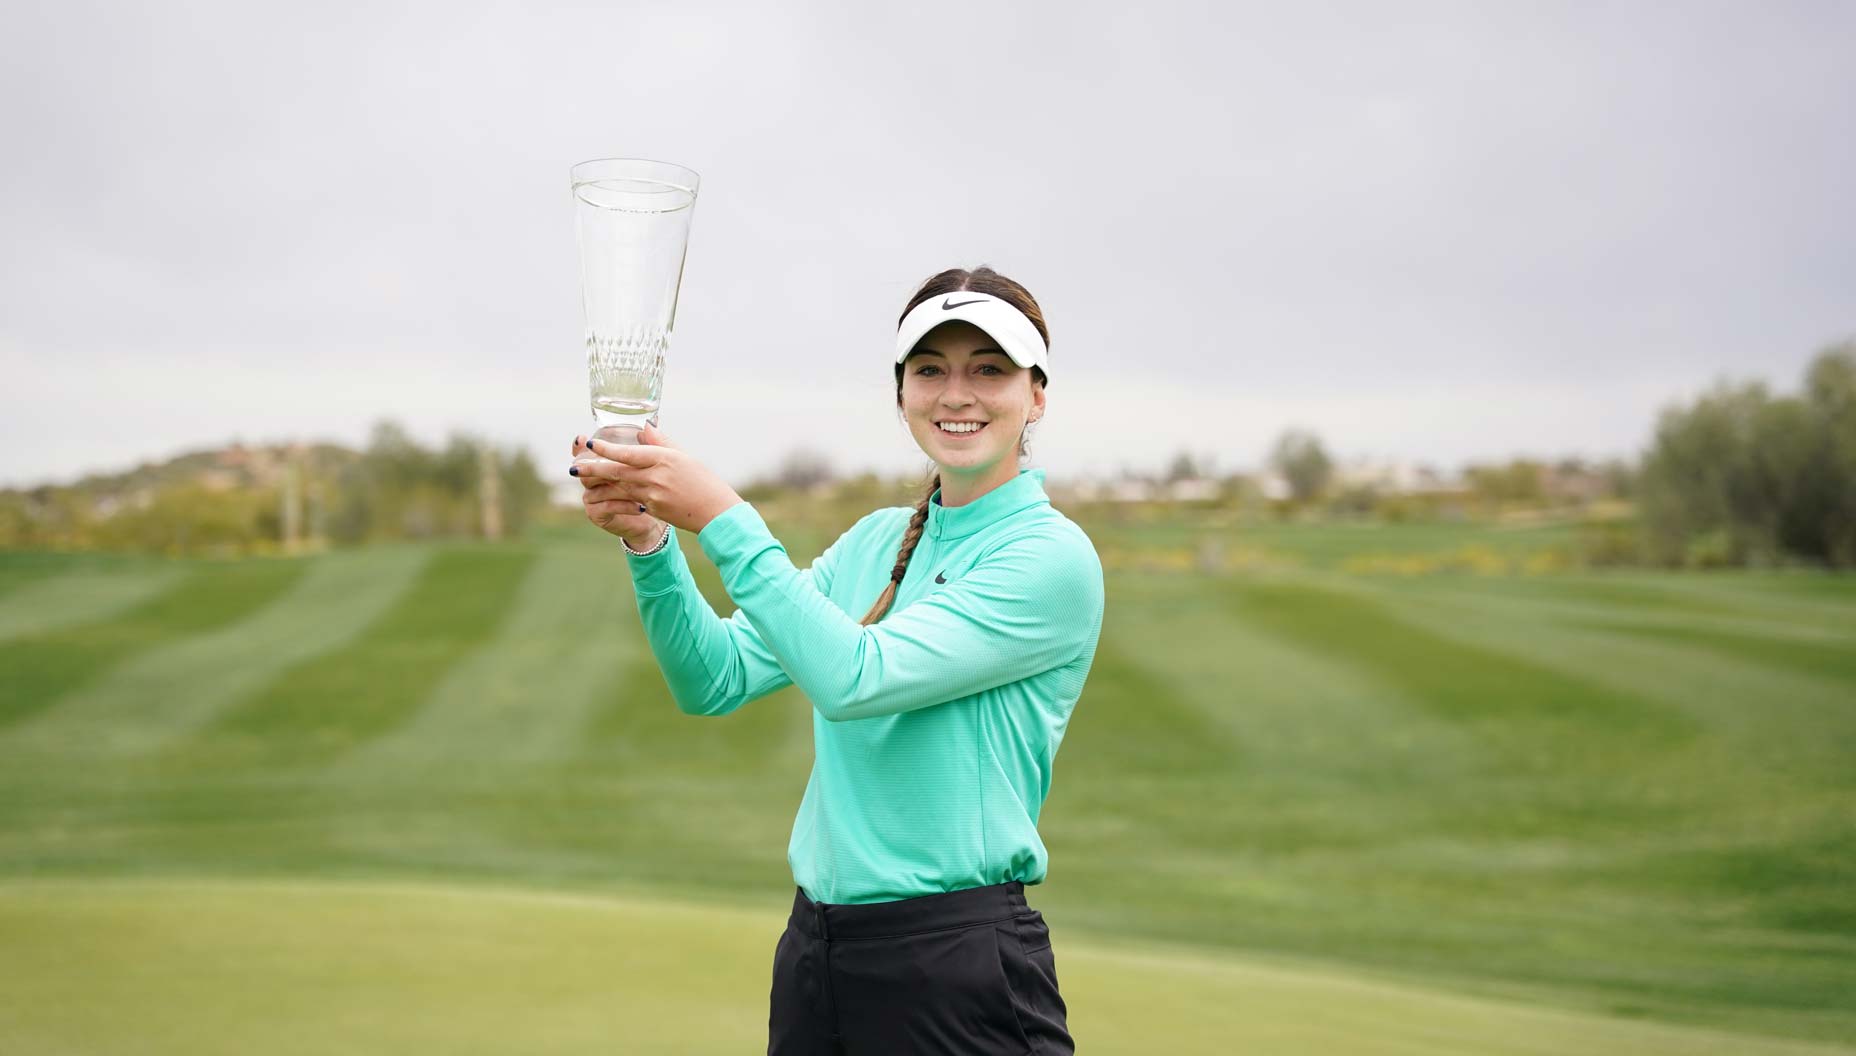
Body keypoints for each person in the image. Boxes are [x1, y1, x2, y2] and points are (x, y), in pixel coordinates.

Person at [570, 265, 1104, 1055]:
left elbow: (856, 677)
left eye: (989, 369)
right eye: (931, 370)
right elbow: (712, 678)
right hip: (817, 955)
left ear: (1037, 395)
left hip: (956, 963)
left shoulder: (1050, 557)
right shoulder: (877, 540)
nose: (957, 394)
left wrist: (721, 516)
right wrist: (650, 542)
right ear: (902, 392)